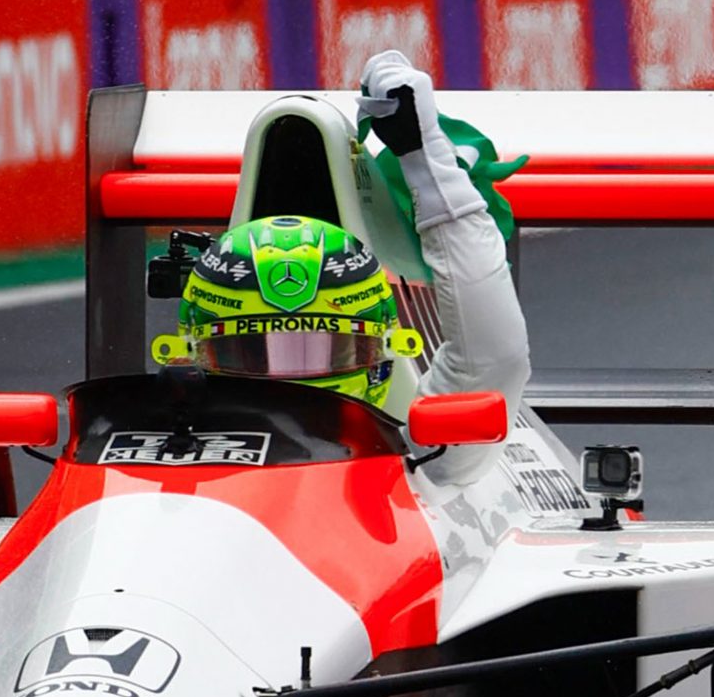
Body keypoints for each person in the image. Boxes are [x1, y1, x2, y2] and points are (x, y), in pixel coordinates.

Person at [166, 50, 531, 432]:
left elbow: (495, 361)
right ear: (191, 355)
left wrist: (433, 170)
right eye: (254, 353)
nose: (295, 385)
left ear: (387, 343)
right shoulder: (171, 454)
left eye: (331, 349)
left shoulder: (418, 454)